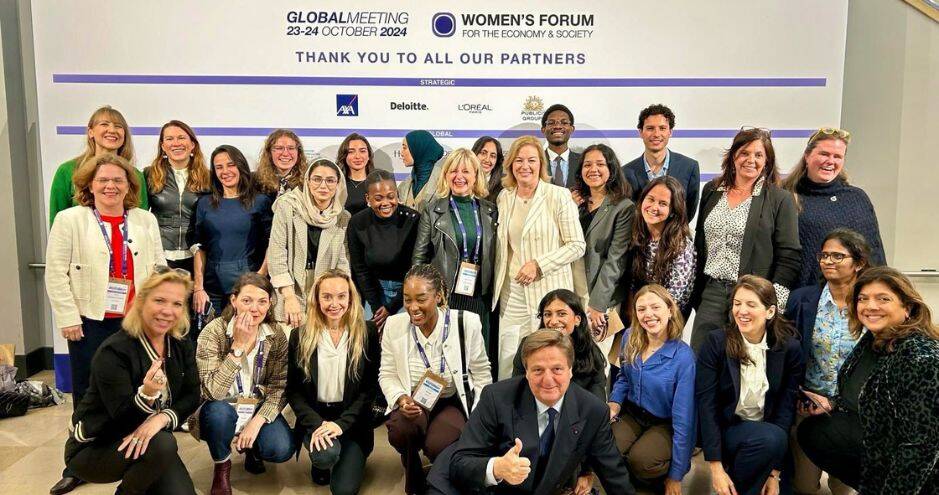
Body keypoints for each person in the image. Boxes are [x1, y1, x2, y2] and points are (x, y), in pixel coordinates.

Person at [46, 153, 166, 494]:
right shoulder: (71, 220)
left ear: (130, 186)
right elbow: (56, 273)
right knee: (88, 392)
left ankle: (134, 453)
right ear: (89, 185)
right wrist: (68, 317)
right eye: (104, 180)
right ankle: (78, 463)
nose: (111, 186)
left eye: (118, 180)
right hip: (90, 321)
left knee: (136, 388)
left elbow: (157, 266)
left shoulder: (144, 220)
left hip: (135, 323)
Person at [432, 329, 636, 495]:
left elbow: (614, 476)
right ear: (526, 372)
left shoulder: (592, 410)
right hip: (474, 488)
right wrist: (497, 468)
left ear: (570, 370)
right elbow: (460, 463)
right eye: (538, 370)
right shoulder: (496, 397)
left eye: (557, 369)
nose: (548, 380)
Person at [60, 268, 200, 494]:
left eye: (177, 304)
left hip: (151, 440)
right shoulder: (114, 351)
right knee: (164, 444)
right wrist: (147, 394)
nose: (168, 311)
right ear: (141, 301)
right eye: (160, 300)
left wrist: (162, 418)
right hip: (97, 445)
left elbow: (193, 395)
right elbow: (121, 419)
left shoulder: (180, 343)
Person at [802, 267, 939, 494]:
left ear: (908, 308)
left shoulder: (921, 357)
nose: (871, 306)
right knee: (815, 430)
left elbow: (921, 447)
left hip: (920, 477)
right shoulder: (874, 340)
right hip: (880, 453)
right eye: (863, 299)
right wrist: (833, 403)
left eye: (883, 299)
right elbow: (865, 390)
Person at [380, 264, 492, 494]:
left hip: (450, 400)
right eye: (407, 299)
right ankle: (414, 479)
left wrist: (479, 416)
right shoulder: (394, 325)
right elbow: (387, 373)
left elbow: (482, 374)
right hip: (414, 400)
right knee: (402, 429)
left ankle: (440, 469)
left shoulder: (465, 323)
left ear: (438, 296)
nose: (413, 307)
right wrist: (401, 399)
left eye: (421, 299)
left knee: (440, 444)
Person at [690, 127, 801, 352]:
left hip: (752, 300)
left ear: (767, 161)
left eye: (758, 155)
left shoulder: (780, 199)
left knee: (743, 367)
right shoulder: (712, 190)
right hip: (711, 294)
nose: (751, 160)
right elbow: (700, 244)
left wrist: (772, 306)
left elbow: (789, 256)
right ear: (733, 156)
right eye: (744, 153)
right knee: (702, 362)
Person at [696, 275, 804, 495]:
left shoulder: (789, 348)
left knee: (784, 487)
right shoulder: (716, 342)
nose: (741, 311)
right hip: (727, 431)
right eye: (737, 304)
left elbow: (785, 409)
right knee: (769, 438)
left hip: (769, 437)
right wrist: (715, 468)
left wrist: (774, 473)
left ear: (770, 312)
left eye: (751, 304)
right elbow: (706, 405)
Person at [493, 135, 586, 380]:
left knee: (549, 357)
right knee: (508, 357)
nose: (525, 166)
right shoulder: (504, 197)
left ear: (541, 164)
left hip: (549, 291)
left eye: (532, 160)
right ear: (511, 164)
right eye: (519, 160)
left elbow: (577, 245)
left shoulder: (558, 195)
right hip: (511, 292)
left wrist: (539, 265)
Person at [785, 229, 870, 495]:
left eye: (838, 255)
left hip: (852, 410)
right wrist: (800, 395)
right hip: (808, 405)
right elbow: (788, 355)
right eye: (824, 255)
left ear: (858, 263)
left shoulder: (869, 305)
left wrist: (839, 403)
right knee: (804, 487)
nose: (828, 261)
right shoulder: (802, 299)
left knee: (843, 486)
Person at [191, 273, 293, 494]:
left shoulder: (275, 334)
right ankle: (222, 464)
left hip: (255, 404)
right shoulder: (214, 331)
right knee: (219, 415)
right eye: (247, 301)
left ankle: (253, 449)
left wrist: (256, 422)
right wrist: (237, 347)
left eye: (262, 301)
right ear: (233, 300)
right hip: (220, 406)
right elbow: (212, 392)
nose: (254, 309)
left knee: (281, 448)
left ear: (270, 304)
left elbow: (279, 387)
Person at [287, 269, 381, 494]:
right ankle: (324, 461)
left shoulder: (366, 332)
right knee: (325, 455)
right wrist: (318, 425)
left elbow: (369, 389)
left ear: (350, 298)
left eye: (341, 296)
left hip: (351, 419)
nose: (334, 303)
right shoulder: (300, 336)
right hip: (317, 418)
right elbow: (294, 391)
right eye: (326, 296)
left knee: (343, 490)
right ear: (316, 299)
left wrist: (341, 424)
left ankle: (349, 456)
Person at [413, 148, 498, 362]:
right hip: (446, 298)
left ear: (476, 176)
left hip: (480, 297)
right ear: (446, 175)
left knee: (477, 358)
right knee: (446, 359)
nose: (459, 177)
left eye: (466, 172)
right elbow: (419, 260)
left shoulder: (490, 211)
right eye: (453, 171)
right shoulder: (432, 211)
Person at [608, 285, 695, 494]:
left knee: (642, 461)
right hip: (634, 414)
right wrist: (614, 403)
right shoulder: (629, 337)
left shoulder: (684, 358)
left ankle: (653, 480)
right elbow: (623, 379)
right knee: (608, 450)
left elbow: (684, 420)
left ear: (670, 310)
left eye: (655, 307)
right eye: (641, 309)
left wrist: (676, 476)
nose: (648, 315)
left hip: (665, 423)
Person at [780, 128, 887, 288]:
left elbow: (875, 254)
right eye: (824, 154)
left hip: (852, 300)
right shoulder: (785, 196)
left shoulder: (857, 198)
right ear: (807, 156)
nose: (830, 161)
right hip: (801, 300)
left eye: (837, 156)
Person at [190, 145, 273, 317]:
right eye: (219, 167)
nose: (225, 171)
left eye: (230, 164)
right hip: (213, 289)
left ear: (241, 166)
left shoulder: (260, 201)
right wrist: (199, 287)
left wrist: (260, 277)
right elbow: (199, 246)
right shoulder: (204, 203)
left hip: (249, 287)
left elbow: (272, 243)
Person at [268, 159, 350, 328]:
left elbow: (343, 263)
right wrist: (289, 297)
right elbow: (276, 253)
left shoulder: (342, 217)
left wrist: (338, 297)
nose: (323, 185)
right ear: (307, 181)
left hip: (326, 291)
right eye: (317, 179)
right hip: (290, 286)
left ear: (338, 184)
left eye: (330, 180)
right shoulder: (288, 206)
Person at [572, 143, 634, 358]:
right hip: (571, 289)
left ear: (611, 169)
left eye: (600, 164)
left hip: (600, 297)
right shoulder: (574, 204)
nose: (593, 169)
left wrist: (598, 304)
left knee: (597, 361)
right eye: (587, 164)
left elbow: (616, 260)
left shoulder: (623, 207)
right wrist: (568, 206)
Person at [49, 105, 147, 227]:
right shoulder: (67, 171)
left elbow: (141, 221)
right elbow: (57, 222)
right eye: (104, 124)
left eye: (118, 126)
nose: (112, 130)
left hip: (123, 244)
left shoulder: (135, 175)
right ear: (91, 132)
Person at [347, 169, 419, 327]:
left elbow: (418, 267)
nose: (386, 203)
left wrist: (392, 306)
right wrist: (377, 306)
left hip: (409, 292)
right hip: (374, 294)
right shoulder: (357, 223)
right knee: (372, 341)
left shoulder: (413, 220)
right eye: (378, 198)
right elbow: (360, 269)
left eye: (391, 196)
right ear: (368, 198)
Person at [512, 289, 607, 401]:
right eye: (547, 314)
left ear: (577, 319)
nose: (553, 321)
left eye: (561, 314)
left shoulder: (590, 351)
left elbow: (597, 400)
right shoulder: (527, 346)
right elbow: (518, 390)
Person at [144, 120, 210, 274]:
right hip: (159, 255)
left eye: (181, 137)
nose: (176, 143)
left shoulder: (208, 177)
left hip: (196, 256)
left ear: (192, 144)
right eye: (169, 139)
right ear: (162, 146)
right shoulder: (149, 174)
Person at [627, 176, 696, 314]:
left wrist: (647, 315)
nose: (654, 207)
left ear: (673, 211)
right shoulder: (636, 235)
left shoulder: (682, 245)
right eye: (650, 199)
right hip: (637, 313)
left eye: (663, 203)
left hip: (665, 317)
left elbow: (674, 297)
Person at [621, 104, 701, 217]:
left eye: (662, 128)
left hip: (676, 234)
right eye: (650, 128)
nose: (656, 134)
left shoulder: (689, 167)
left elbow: (689, 211)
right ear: (640, 132)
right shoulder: (625, 173)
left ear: (670, 132)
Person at [398, 130, 444, 211]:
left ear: (419, 148)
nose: (401, 153)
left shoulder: (444, 184)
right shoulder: (403, 186)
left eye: (405, 148)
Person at [254, 129, 307, 198]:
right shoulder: (254, 181)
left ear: (298, 152)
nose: (285, 153)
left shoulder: (308, 181)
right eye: (279, 148)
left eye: (291, 148)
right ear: (269, 153)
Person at [541, 103, 581, 189]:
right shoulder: (535, 161)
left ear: (572, 129)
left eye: (564, 122)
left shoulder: (583, 161)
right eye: (551, 123)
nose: (558, 126)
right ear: (543, 129)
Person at [336, 132, 375, 216]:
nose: (357, 156)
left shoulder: (378, 183)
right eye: (351, 152)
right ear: (344, 156)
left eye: (362, 151)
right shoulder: (336, 184)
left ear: (369, 155)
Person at [472, 136, 505, 204]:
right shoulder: (462, 179)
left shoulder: (504, 184)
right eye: (483, 153)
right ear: (474, 154)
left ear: (497, 161)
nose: (487, 160)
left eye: (492, 156)